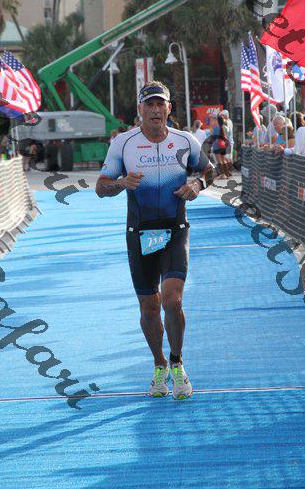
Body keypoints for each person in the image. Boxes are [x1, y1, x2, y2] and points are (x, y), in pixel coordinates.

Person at [95, 80, 214, 400]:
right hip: (141, 233)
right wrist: (121, 183)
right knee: (150, 307)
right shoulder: (123, 144)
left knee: (173, 300)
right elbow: (101, 187)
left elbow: (210, 170)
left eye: (161, 104)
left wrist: (197, 185)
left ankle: (177, 362)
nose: (155, 110)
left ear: (169, 108)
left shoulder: (185, 140)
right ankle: (159, 364)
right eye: (149, 104)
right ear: (140, 110)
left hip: (175, 229)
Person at [210, 114, 230, 179]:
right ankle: (227, 174)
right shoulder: (224, 127)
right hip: (223, 145)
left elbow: (213, 137)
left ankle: (222, 174)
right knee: (224, 160)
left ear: (216, 120)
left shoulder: (215, 128)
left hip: (217, 145)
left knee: (219, 161)